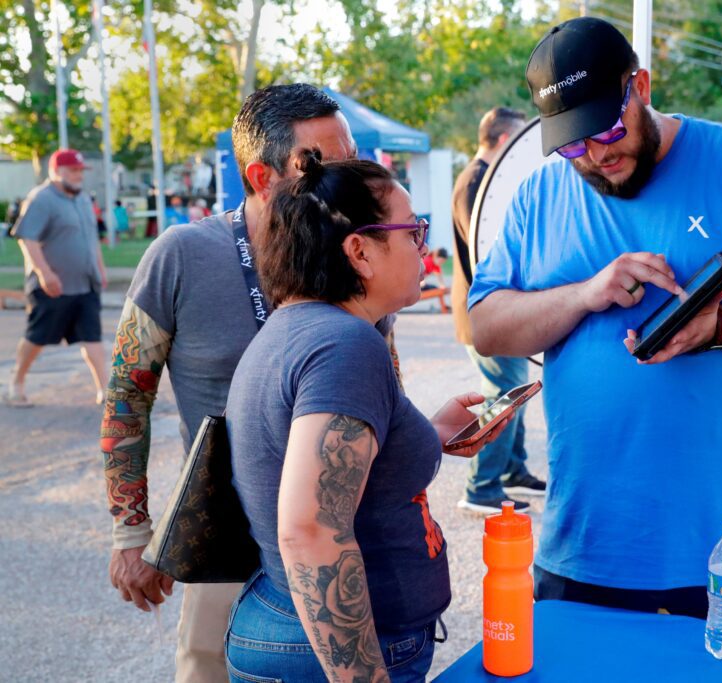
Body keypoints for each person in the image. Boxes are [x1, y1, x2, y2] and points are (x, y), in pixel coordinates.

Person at [468, 17, 722, 627]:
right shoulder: (539, 196)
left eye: (608, 129)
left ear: (640, 87)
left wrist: (721, 325)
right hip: (585, 546)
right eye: (573, 145)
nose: (597, 155)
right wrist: (584, 295)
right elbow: (485, 326)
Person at [99, 83, 391, 683]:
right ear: (261, 177)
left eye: (353, 157)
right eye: (322, 165)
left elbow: (383, 384)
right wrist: (133, 529)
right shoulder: (180, 255)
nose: (349, 180)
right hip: (225, 549)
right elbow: (127, 397)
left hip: (340, 547)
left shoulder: (360, 254)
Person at [225, 153, 504, 682]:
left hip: (289, 631)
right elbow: (310, 530)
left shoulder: (301, 329)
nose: (424, 248)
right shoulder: (345, 344)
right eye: (412, 231)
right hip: (328, 653)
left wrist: (430, 433)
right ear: (360, 252)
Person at [451, 106, 546, 513]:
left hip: (493, 308)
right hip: (488, 311)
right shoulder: (477, 181)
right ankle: (481, 487)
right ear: (506, 139)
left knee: (514, 391)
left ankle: (511, 470)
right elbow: (494, 247)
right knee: (504, 395)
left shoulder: (476, 178)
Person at [5, 149, 108, 407]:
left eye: (80, 171)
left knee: (92, 337)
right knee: (36, 338)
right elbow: (28, 239)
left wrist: (100, 267)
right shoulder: (41, 199)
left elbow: (91, 238)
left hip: (86, 284)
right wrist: (44, 274)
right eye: (72, 170)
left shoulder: (83, 199)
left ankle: (106, 391)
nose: (78, 176)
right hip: (52, 287)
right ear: (56, 171)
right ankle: (16, 383)